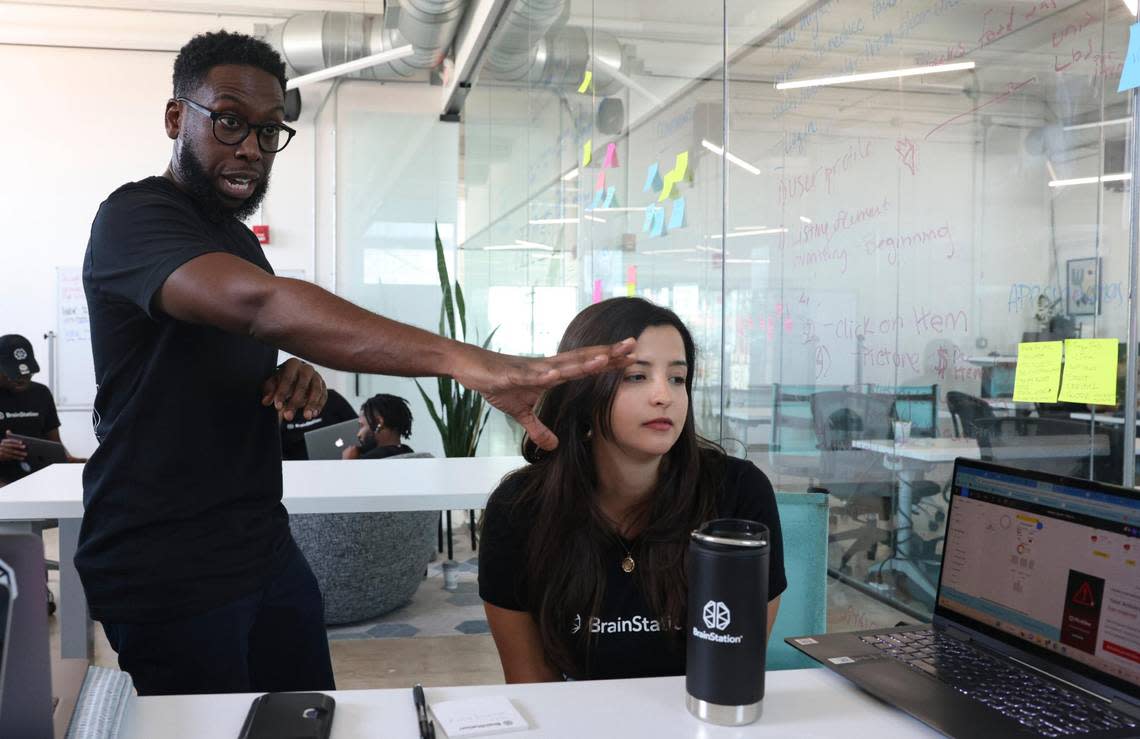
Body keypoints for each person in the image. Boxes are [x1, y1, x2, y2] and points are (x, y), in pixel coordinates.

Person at [79, 30, 636, 697]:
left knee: (313, 713)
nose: (251, 148)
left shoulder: (233, 241)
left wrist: (295, 374)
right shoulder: (133, 218)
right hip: (165, 561)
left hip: (260, 545)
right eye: (228, 121)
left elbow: (239, 334)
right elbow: (259, 305)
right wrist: (464, 361)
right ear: (176, 117)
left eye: (268, 131)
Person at [478, 298, 785, 682]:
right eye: (636, 376)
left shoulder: (738, 493)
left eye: (677, 378)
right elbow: (532, 685)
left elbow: (735, 669)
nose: (665, 396)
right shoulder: (520, 509)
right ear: (584, 392)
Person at [0, 334, 83, 487]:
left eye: (27, 373)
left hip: (40, 483)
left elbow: (54, 443)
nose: (22, 379)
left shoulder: (41, 393)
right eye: (13, 373)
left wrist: (69, 461)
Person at [280, 387, 356, 460]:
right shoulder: (278, 411)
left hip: (340, 462)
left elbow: (356, 427)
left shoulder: (331, 398)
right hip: (296, 468)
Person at [342, 393, 415, 460]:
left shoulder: (370, 460)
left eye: (362, 426)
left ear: (378, 422)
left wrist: (348, 463)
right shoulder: (409, 453)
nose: (358, 434)